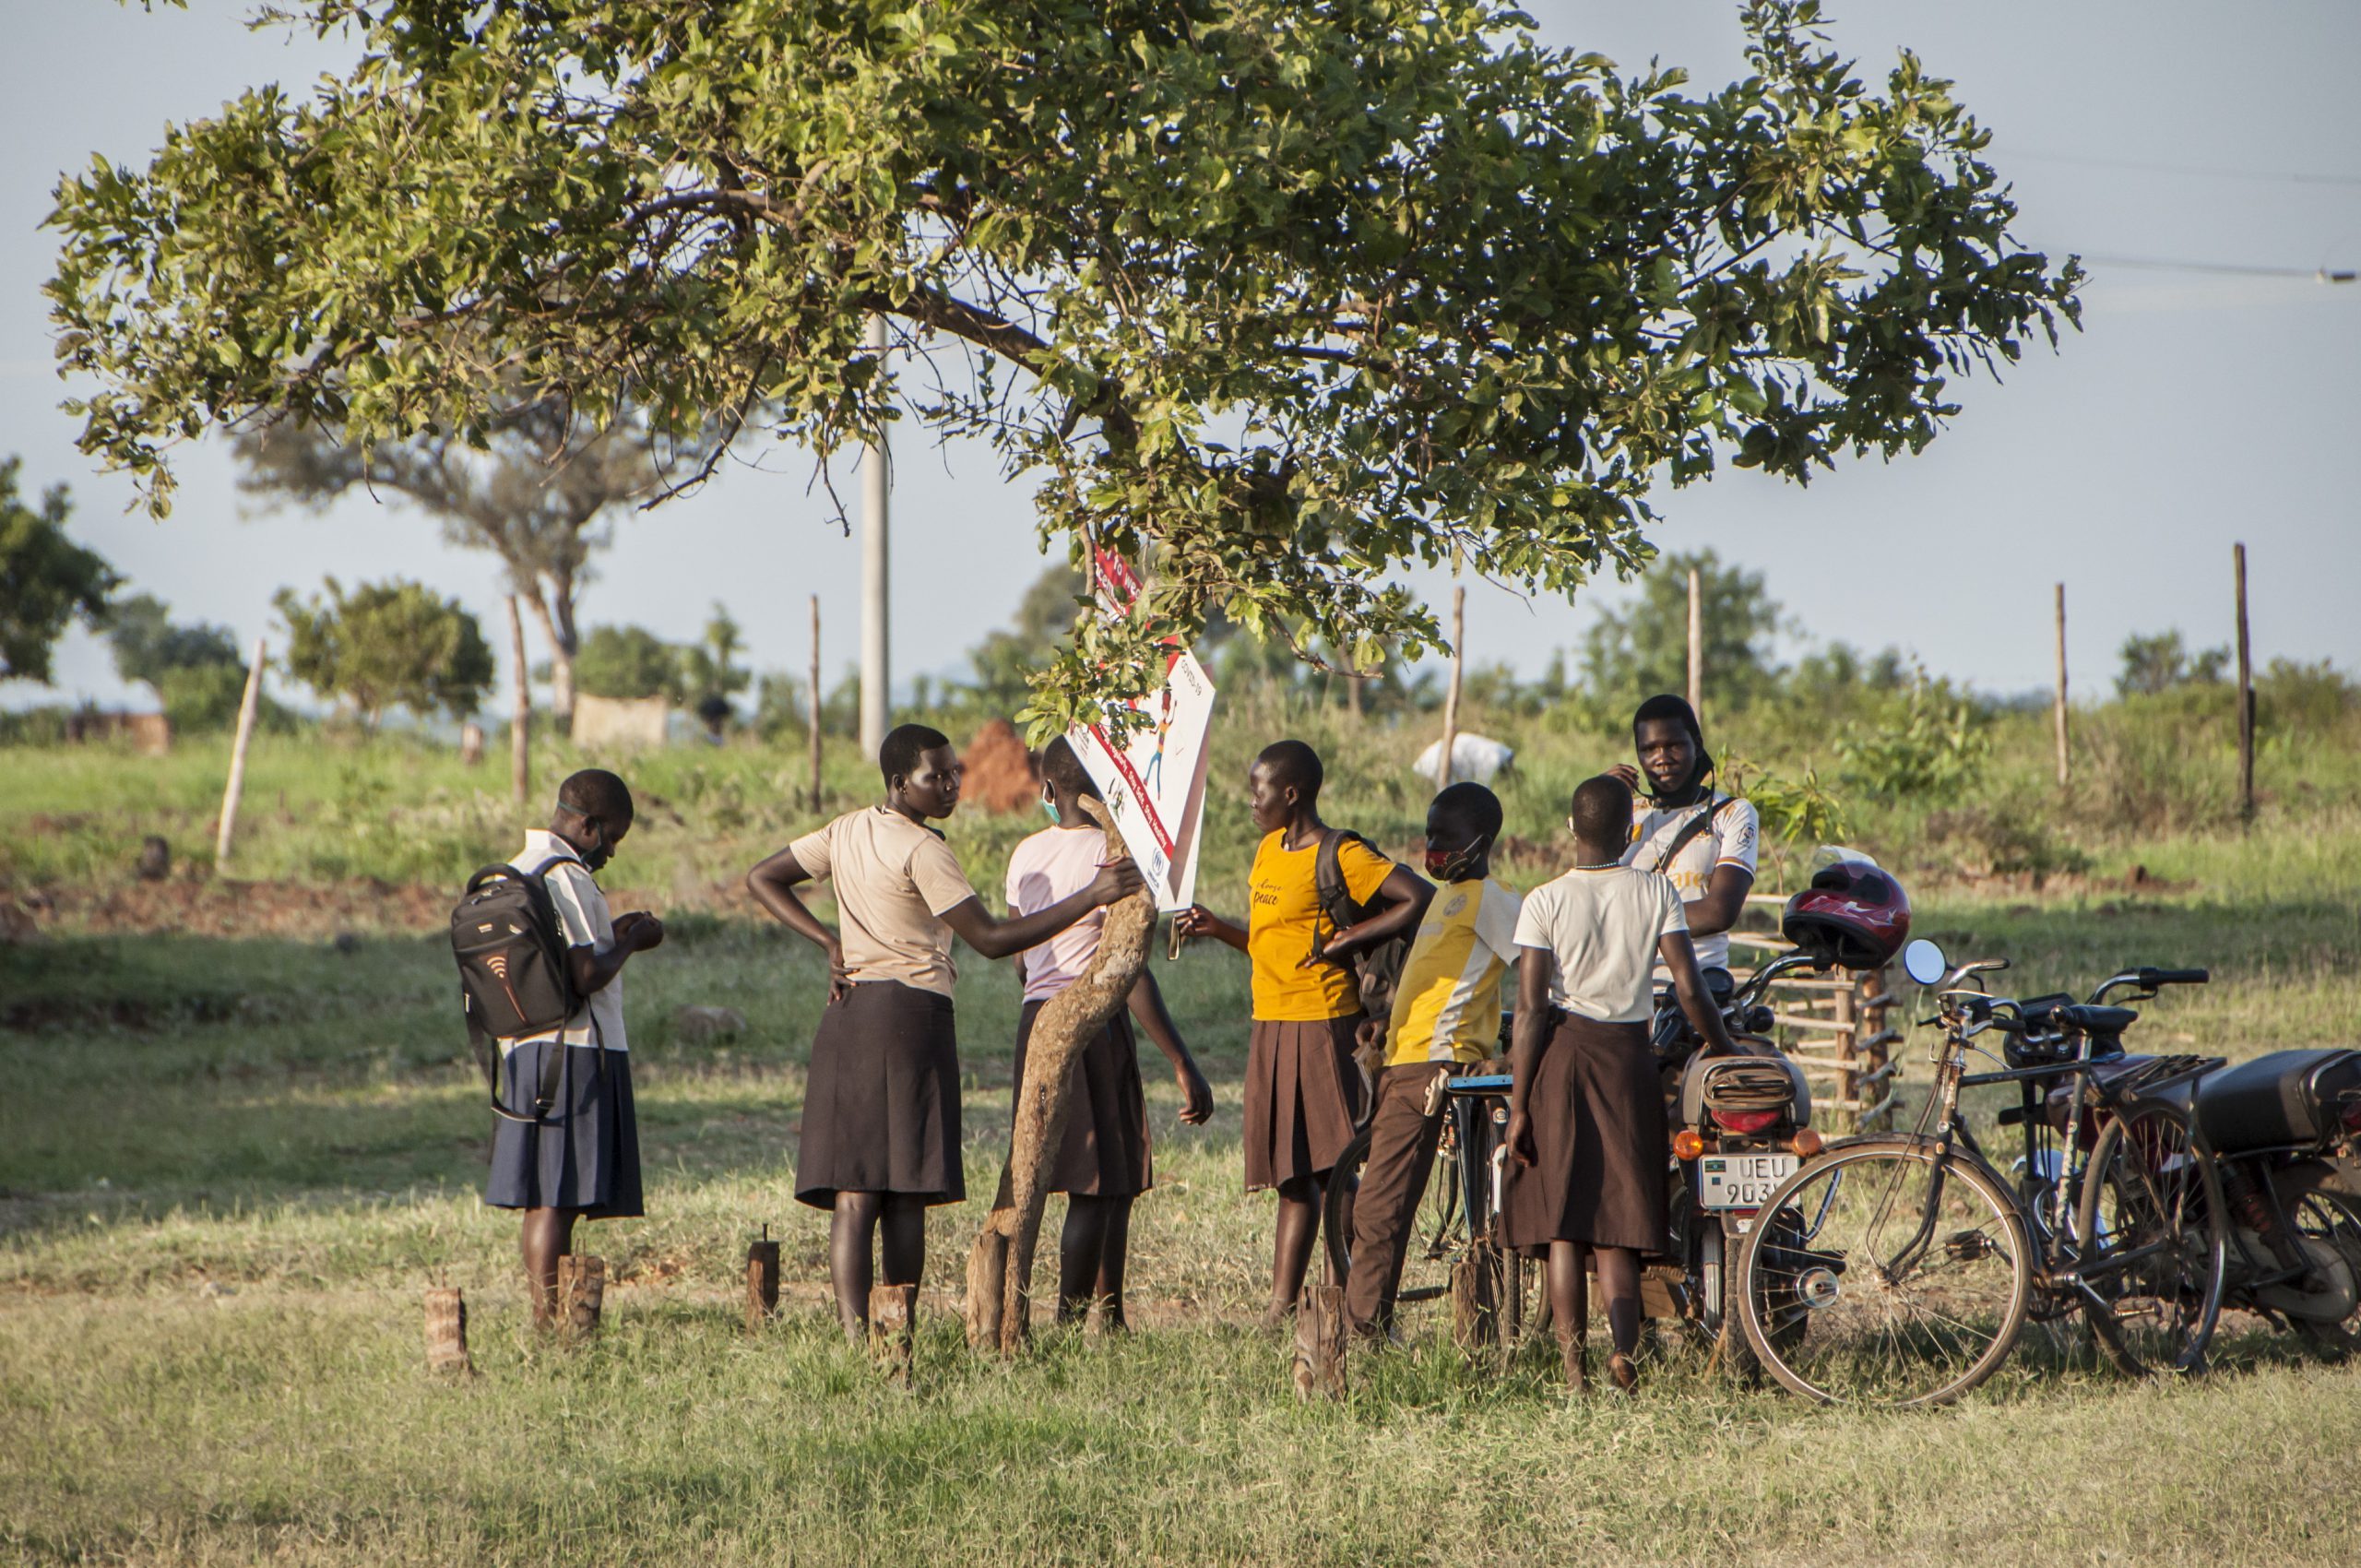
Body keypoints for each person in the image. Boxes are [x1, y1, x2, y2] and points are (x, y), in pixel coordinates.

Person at [745, 723, 1143, 1339]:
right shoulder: (925, 850)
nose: (952, 785)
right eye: (938, 776)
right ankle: (894, 1332)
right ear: (902, 783)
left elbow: (761, 878)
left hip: (849, 1017)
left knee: (855, 1190)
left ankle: (857, 1338)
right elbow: (990, 940)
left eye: (956, 772)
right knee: (904, 1191)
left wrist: (829, 941)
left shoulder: (846, 829)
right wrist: (1093, 894)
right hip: (910, 1018)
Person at [1176, 739, 1433, 1326]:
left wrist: (1348, 940)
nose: (1251, 801)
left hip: (1324, 1023)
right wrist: (1219, 929)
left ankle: (1346, 1301)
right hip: (1271, 1022)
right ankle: (1279, 1307)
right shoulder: (1268, 849)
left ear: (1291, 793)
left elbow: (1418, 897)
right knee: (1292, 1176)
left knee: (1334, 1170)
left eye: (1258, 790)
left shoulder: (1342, 853)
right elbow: (1274, 941)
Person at [1504, 773, 1738, 1395]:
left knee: (1563, 1224)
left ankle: (1574, 1368)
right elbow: (1689, 989)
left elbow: (1529, 1012)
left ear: (1570, 829)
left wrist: (1519, 1103)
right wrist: (1725, 1050)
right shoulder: (1656, 889)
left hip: (1565, 1061)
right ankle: (1624, 1355)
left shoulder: (1543, 900)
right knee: (1620, 1220)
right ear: (1630, 831)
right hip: (1630, 1060)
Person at [1005, 737, 1215, 1329]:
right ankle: (1077, 1321)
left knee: (1092, 1174)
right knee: (1100, 1182)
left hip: (1037, 1016)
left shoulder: (1025, 853)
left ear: (1049, 791)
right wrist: (1181, 1060)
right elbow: (1130, 969)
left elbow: (1021, 959)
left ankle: (1106, 1316)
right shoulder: (1118, 857)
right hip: (1094, 1018)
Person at [484, 767, 665, 1328]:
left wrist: (615, 933)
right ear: (587, 826)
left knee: (545, 1193)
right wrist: (633, 939)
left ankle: (548, 1316)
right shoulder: (568, 875)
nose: (610, 852)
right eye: (610, 837)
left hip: (524, 1048)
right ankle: (550, 1322)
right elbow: (587, 974)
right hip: (575, 1051)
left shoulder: (517, 869)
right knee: (557, 1198)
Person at [1342, 780, 1523, 1342]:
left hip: (1433, 1064)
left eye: (1445, 836)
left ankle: (1363, 1331)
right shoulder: (1447, 896)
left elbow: (1540, 966)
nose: (1432, 847)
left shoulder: (1494, 899)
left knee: (1380, 1206)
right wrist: (1388, 1023)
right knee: (1384, 1202)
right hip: (1405, 1057)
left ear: (1482, 840)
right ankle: (1375, 1321)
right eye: (1429, 834)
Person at [1609, 694, 1759, 981]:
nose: (1662, 759)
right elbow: (1590, 886)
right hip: (1625, 985)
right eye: (1649, 749)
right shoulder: (1629, 812)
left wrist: (1623, 921)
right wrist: (1605, 797)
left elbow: (1718, 912)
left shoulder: (1732, 813)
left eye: (1673, 745)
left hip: (1698, 983)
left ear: (1697, 745)